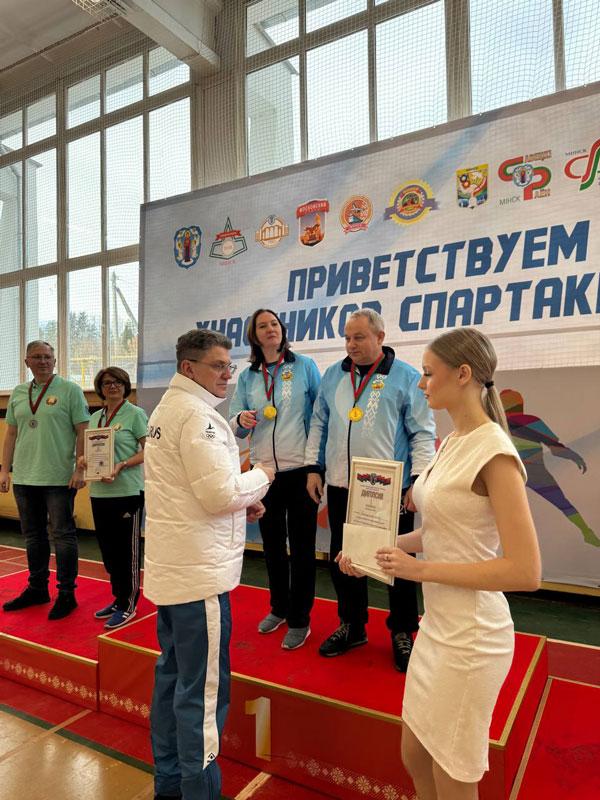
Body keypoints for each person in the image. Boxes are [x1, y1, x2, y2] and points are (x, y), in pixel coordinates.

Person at [340, 327, 541, 799]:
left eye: (429, 373)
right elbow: (441, 533)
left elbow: (525, 571)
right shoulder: (452, 441)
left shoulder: (494, 452)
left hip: (473, 640)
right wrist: (378, 548)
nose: (421, 383)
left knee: (453, 773)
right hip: (438, 627)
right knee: (415, 755)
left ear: (463, 374)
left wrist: (418, 569)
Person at [144, 329, 274, 800]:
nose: (226, 374)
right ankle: (200, 793)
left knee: (172, 680)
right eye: (218, 366)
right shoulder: (198, 417)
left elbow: (189, 492)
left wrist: (242, 504)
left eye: (229, 366)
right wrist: (262, 477)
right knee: (201, 696)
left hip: (177, 570)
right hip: (198, 578)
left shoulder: (169, 409)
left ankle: (169, 786)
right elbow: (219, 494)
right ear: (189, 368)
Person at [304, 309, 436, 670]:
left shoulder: (406, 377)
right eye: (347, 338)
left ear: (380, 337)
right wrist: (314, 467)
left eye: (359, 337)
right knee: (344, 558)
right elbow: (319, 423)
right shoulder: (334, 375)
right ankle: (352, 625)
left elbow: (422, 432)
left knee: (397, 560)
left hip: (388, 488)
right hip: (342, 484)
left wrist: (418, 481)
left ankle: (403, 630)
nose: (351, 345)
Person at [230, 309, 321, 650]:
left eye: (274, 324)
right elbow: (234, 422)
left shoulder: (305, 367)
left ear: (282, 330)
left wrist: (315, 466)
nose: (270, 329)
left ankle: (300, 619)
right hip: (263, 473)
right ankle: (279, 608)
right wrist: (241, 418)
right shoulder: (248, 376)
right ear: (254, 336)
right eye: (262, 326)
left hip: (300, 472)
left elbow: (319, 416)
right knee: (271, 546)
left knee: (302, 547)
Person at [0, 340, 89, 620]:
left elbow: (83, 431)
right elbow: (11, 434)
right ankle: (37, 588)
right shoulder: (18, 393)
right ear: (27, 361)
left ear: (55, 360)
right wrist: (4, 470)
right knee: (33, 536)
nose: (43, 361)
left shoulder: (70, 390)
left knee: (62, 535)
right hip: (25, 477)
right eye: (37, 357)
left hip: (59, 478)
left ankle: (67, 594)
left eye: (47, 357)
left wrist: (80, 469)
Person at [80, 367, 148, 630]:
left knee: (126, 552)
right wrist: (84, 460)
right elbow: (91, 451)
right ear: (100, 388)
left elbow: (150, 450)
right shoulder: (95, 417)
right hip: (99, 492)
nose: (113, 386)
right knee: (108, 552)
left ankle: (129, 604)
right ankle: (118, 599)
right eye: (107, 382)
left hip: (127, 492)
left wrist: (122, 464)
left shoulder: (135, 414)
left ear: (125, 385)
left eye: (118, 382)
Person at [500, 389, 598, 547]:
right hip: (534, 471)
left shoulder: (496, 425)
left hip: (510, 473)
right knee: (563, 503)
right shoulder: (530, 421)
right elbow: (555, 449)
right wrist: (574, 456)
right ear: (520, 404)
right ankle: (586, 532)